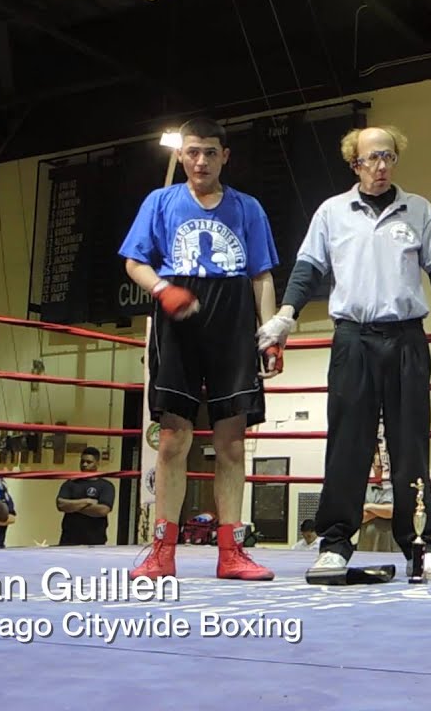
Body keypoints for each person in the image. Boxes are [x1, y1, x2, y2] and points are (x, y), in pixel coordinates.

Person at [256, 125, 431, 582]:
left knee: (410, 446)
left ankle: (419, 547)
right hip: (353, 338)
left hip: (407, 337)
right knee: (347, 443)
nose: (382, 165)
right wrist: (285, 316)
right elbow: (307, 268)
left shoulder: (419, 209)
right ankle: (334, 544)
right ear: (355, 164)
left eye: (388, 156)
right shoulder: (332, 213)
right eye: (372, 158)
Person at [119, 117, 282, 581]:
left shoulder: (248, 208)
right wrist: (161, 289)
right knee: (173, 437)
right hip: (178, 312)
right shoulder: (161, 201)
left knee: (231, 439)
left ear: (224, 156)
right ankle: (161, 552)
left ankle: (231, 551)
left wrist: (269, 333)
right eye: (192, 152)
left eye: (210, 152)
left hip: (232, 313)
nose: (201, 160)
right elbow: (134, 260)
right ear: (180, 155)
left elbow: (261, 274)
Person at [56, 447, 116, 546]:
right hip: (69, 540)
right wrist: (87, 501)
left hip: (95, 541)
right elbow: (61, 505)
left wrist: (73, 507)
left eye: (89, 462)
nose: (84, 465)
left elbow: (102, 510)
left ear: (97, 463)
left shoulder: (106, 486)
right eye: (82, 461)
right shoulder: (71, 483)